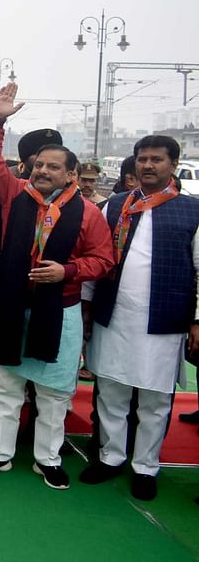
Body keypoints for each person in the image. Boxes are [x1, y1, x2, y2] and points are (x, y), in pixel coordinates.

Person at [0, 83, 114, 490]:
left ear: (71, 174)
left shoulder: (87, 213)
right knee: (6, 385)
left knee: (53, 392)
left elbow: (104, 260)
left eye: (53, 167)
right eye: (39, 165)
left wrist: (66, 272)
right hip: (12, 306)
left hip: (60, 311)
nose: (43, 171)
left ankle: (47, 458)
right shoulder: (16, 195)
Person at [81, 135, 199, 501]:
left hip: (164, 321)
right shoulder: (115, 205)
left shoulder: (192, 210)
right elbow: (94, 257)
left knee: (154, 400)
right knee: (111, 392)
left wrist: (196, 320)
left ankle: (146, 466)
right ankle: (111, 457)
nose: (148, 166)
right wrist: (86, 305)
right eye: (142, 159)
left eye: (157, 160)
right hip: (113, 315)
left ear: (173, 165)